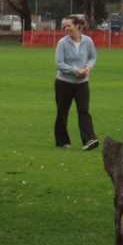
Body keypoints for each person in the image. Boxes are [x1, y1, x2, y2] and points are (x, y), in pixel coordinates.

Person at [54, 15, 99, 151]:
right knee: (62, 112)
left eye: (69, 25)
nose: (66, 28)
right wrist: (75, 71)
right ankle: (62, 141)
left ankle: (89, 139)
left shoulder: (88, 41)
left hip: (82, 83)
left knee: (84, 111)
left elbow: (92, 57)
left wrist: (88, 68)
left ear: (78, 26)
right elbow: (59, 64)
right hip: (64, 83)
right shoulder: (62, 43)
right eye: (64, 26)